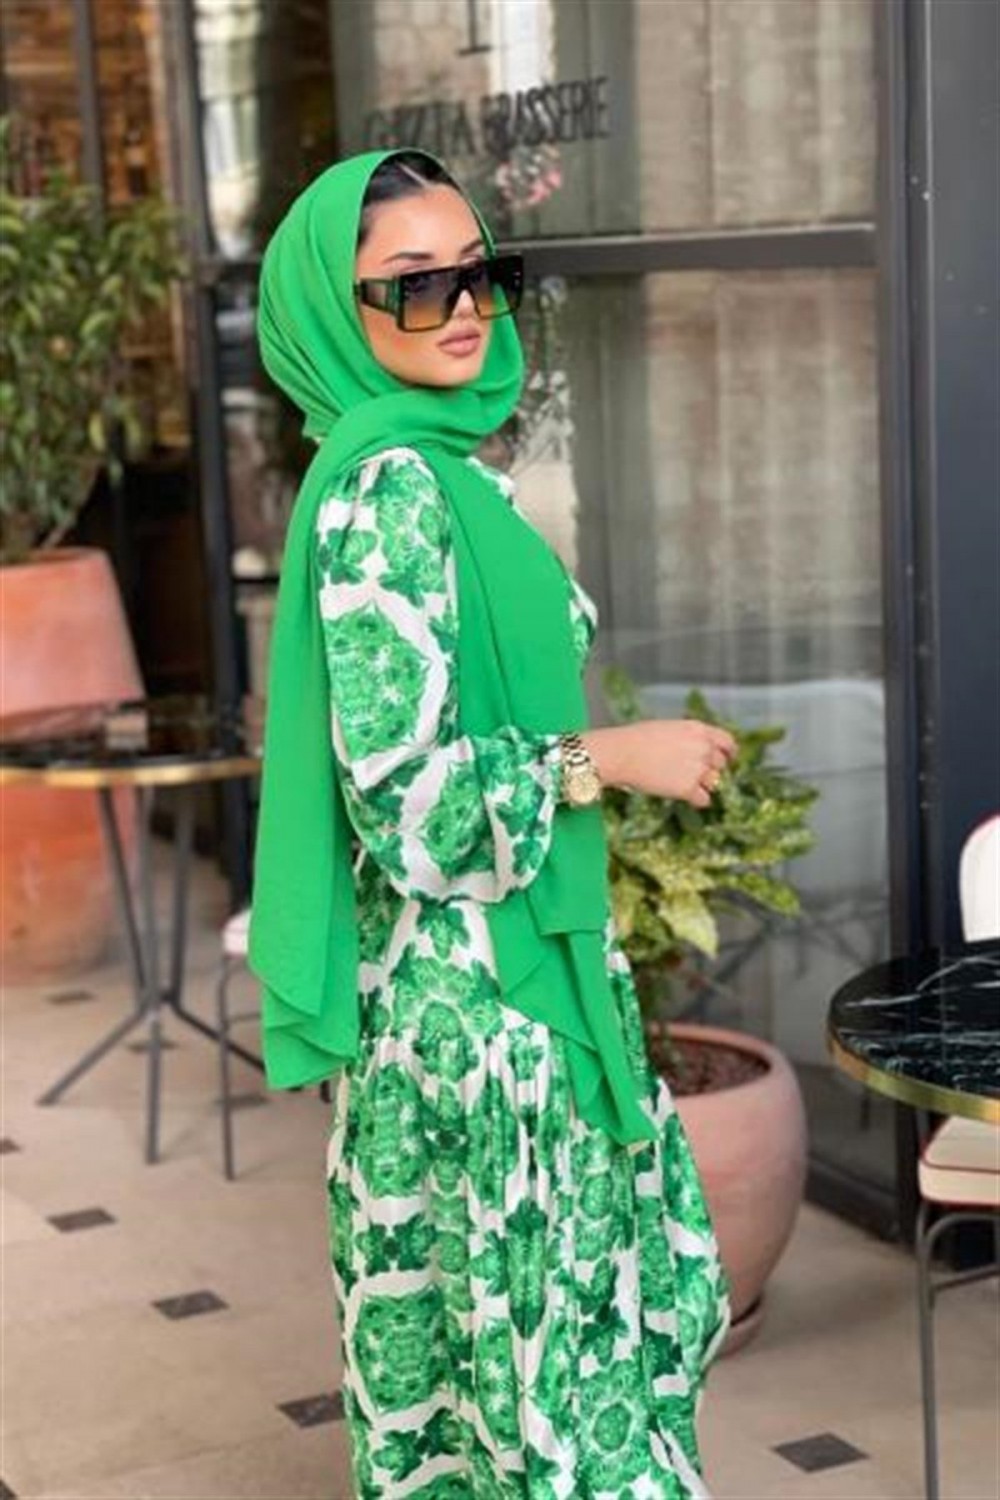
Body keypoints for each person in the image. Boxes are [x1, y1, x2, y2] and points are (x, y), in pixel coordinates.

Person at [249, 147, 736, 1500]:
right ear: (331, 309)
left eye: (478, 273)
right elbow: (409, 806)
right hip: (480, 1019)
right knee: (543, 1390)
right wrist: (607, 756)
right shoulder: (388, 496)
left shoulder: (434, 474)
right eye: (412, 285)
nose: (462, 308)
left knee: (510, 1388)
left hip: (496, 992)